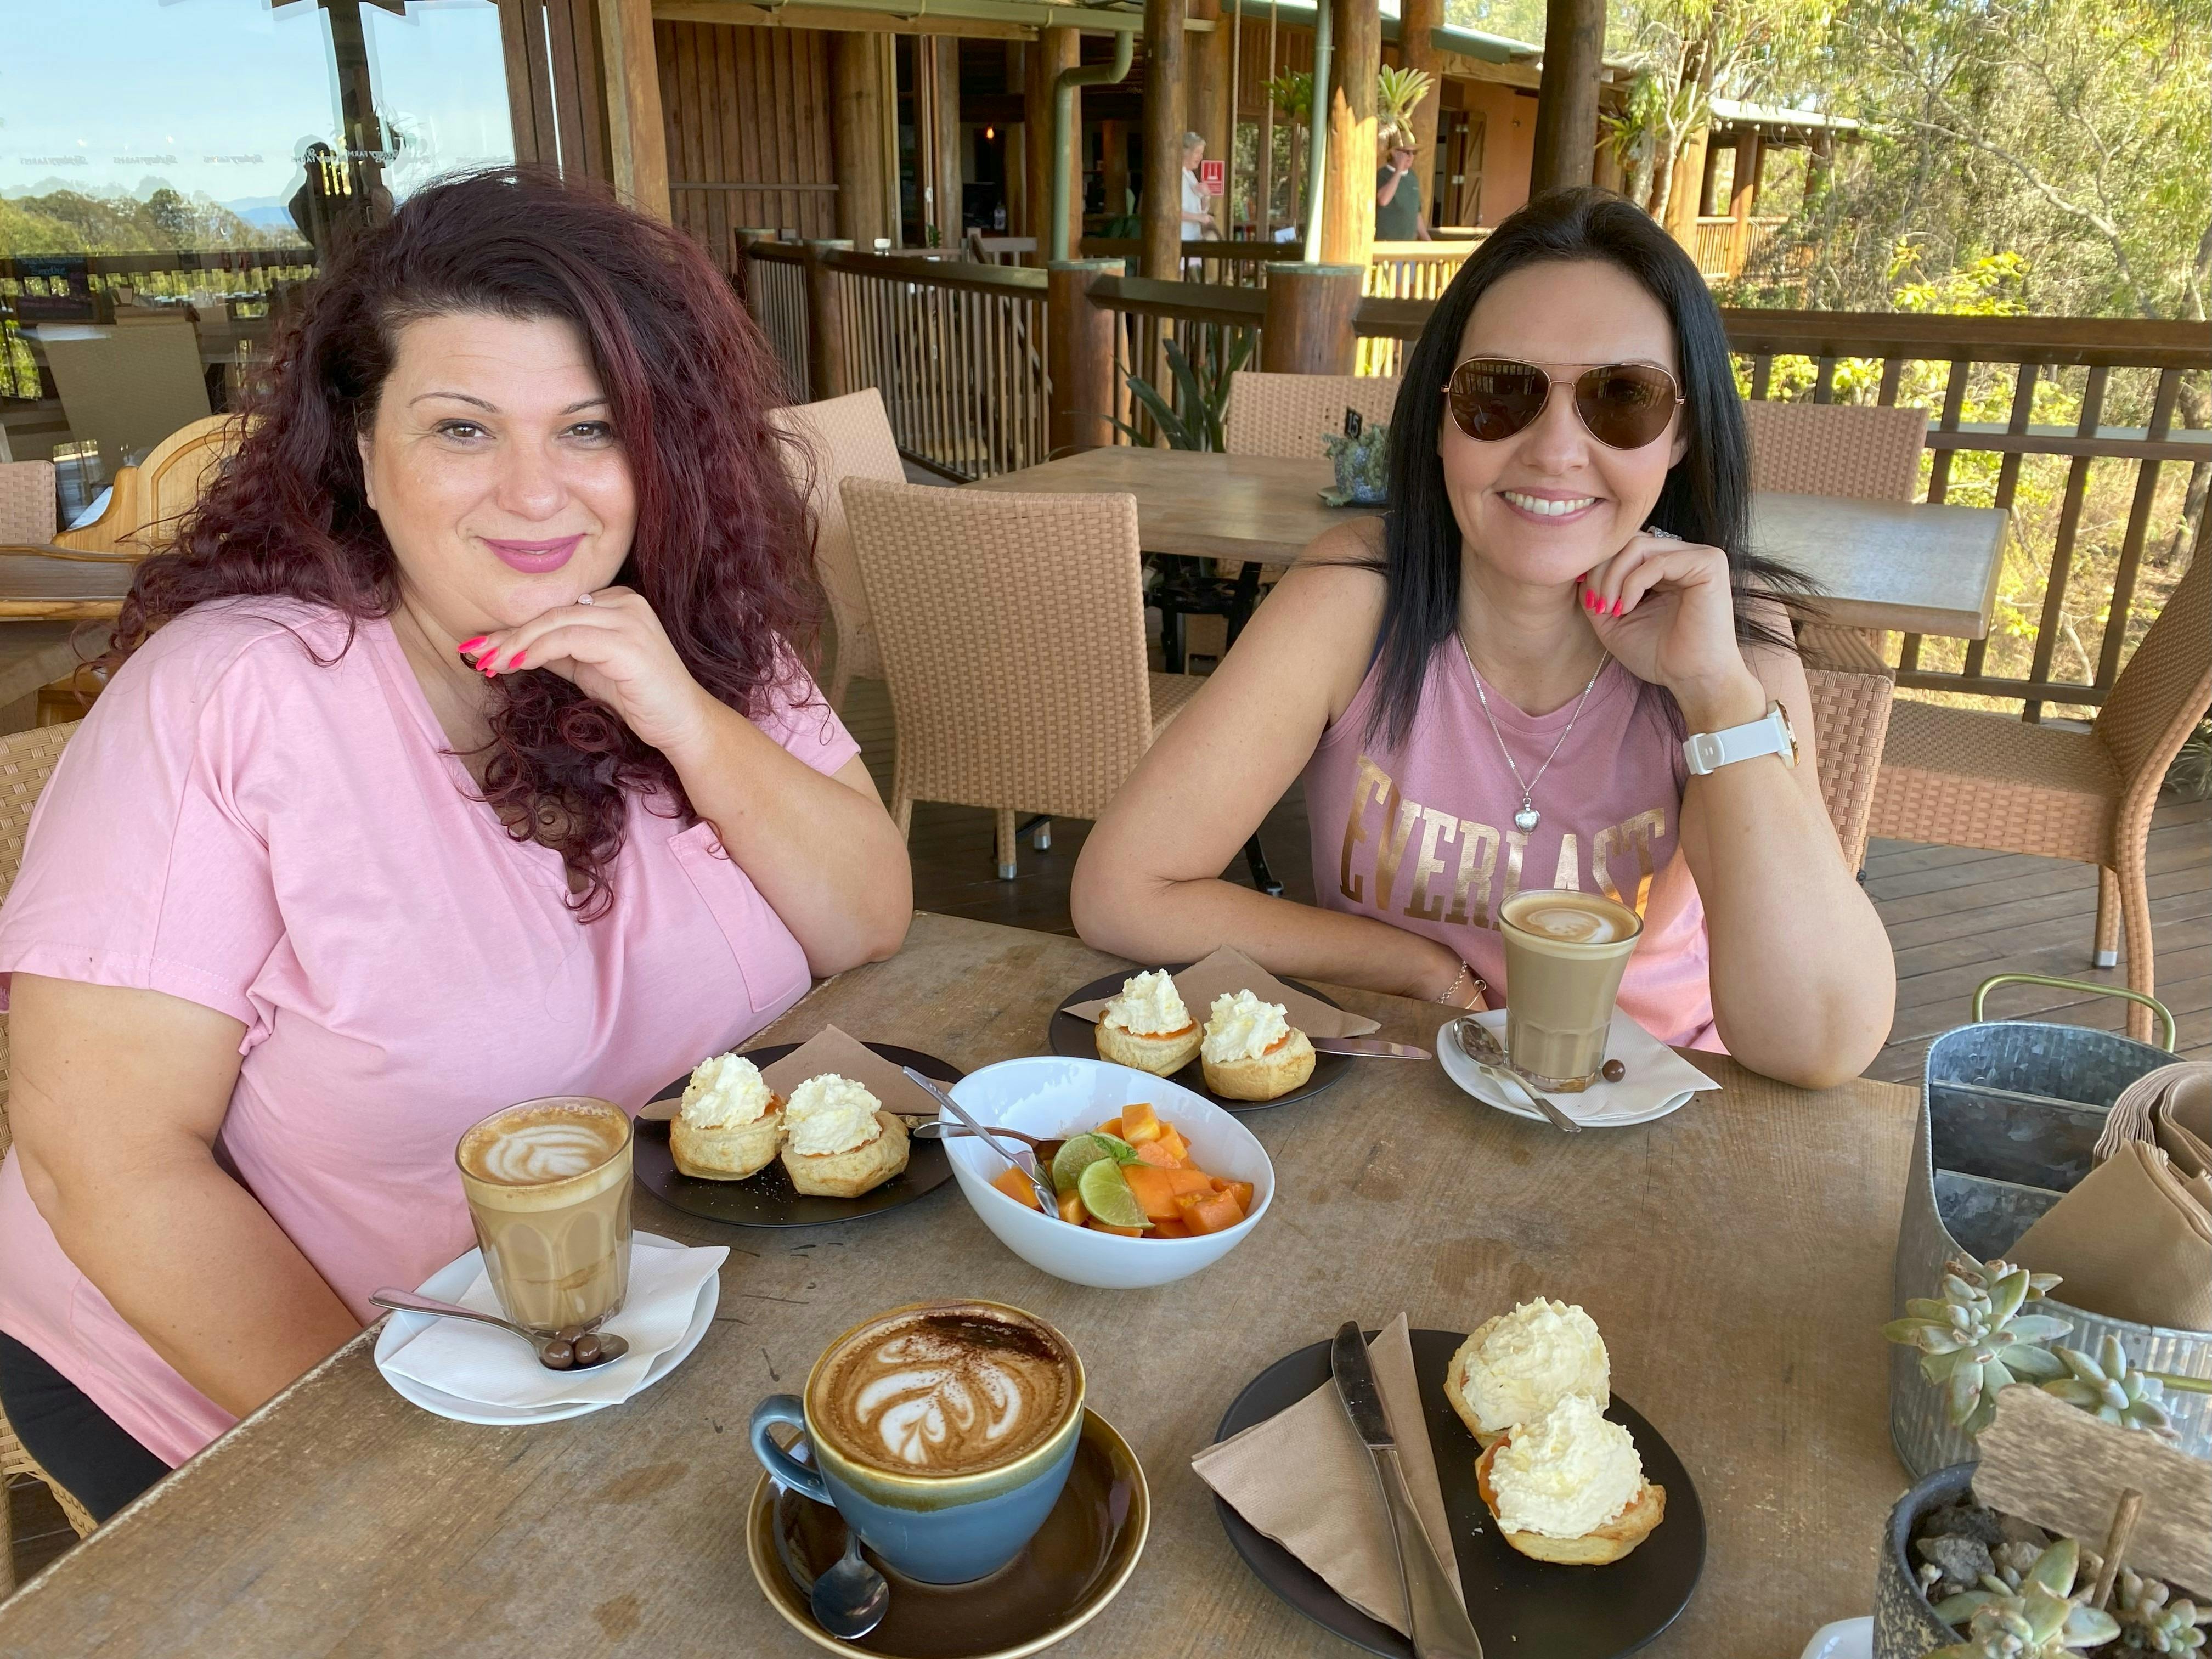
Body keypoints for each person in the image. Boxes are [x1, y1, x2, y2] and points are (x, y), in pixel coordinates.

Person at [0, 168, 913, 1515]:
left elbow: (867, 920)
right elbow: (107, 1164)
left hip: (612, 1332)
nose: (538, 495)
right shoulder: (238, 695)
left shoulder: (693, 628)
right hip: (251, 1375)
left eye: (593, 428)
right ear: (363, 450)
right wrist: (412, 1474)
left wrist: (684, 717)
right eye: (465, 429)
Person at [1071, 188, 1894, 1090]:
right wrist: (1412, 965)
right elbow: (1122, 890)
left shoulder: (1734, 643)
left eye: (1621, 398)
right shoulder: (1357, 596)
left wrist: (1714, 693)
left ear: (1682, 431)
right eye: (1501, 392)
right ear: (1440, 416)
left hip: (1647, 1104)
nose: (1553, 449)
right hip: (1399, 1080)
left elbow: (1818, 1042)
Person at [1375, 142, 1432, 242]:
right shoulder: (1381, 175)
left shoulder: (1412, 177)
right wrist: (1399, 171)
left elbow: (1416, 213)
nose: (1410, 156)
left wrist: (1428, 241)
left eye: (1413, 152)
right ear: (1394, 153)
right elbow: (1383, 201)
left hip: (1409, 245)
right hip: (1386, 244)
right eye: (1406, 152)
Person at [1179, 132, 1217, 242]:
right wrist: (1199, 218)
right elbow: (1170, 211)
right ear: (1185, 152)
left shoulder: (1191, 175)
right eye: (1197, 153)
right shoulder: (1176, 177)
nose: (1200, 157)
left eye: (1202, 153)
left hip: (1194, 237)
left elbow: (1201, 209)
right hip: (1181, 238)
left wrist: (1206, 196)